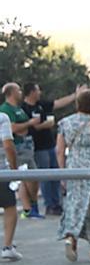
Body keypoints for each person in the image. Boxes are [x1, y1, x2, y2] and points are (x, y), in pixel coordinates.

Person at [56, 89, 90, 262]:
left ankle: (72, 238)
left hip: (74, 167)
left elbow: (60, 150)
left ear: (78, 104)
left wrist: (63, 172)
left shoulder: (66, 123)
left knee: (74, 203)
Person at [21, 82, 84, 216]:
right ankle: (49, 205)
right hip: (38, 148)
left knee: (56, 175)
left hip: (50, 145)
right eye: (37, 90)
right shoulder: (24, 108)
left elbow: (58, 103)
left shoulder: (41, 104)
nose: (40, 92)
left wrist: (75, 95)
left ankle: (57, 203)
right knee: (45, 177)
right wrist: (44, 125)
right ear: (31, 92)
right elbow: (27, 128)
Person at [0, 83, 42, 218]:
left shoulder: (18, 109)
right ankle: (29, 209)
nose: (20, 92)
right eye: (18, 90)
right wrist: (29, 123)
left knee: (31, 177)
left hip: (27, 146)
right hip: (17, 147)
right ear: (11, 92)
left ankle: (30, 208)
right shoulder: (5, 110)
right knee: (26, 177)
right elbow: (12, 129)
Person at [0, 112, 21, 261]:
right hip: (1, 170)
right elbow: (8, 145)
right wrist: (14, 168)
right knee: (9, 206)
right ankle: (7, 246)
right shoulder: (2, 118)